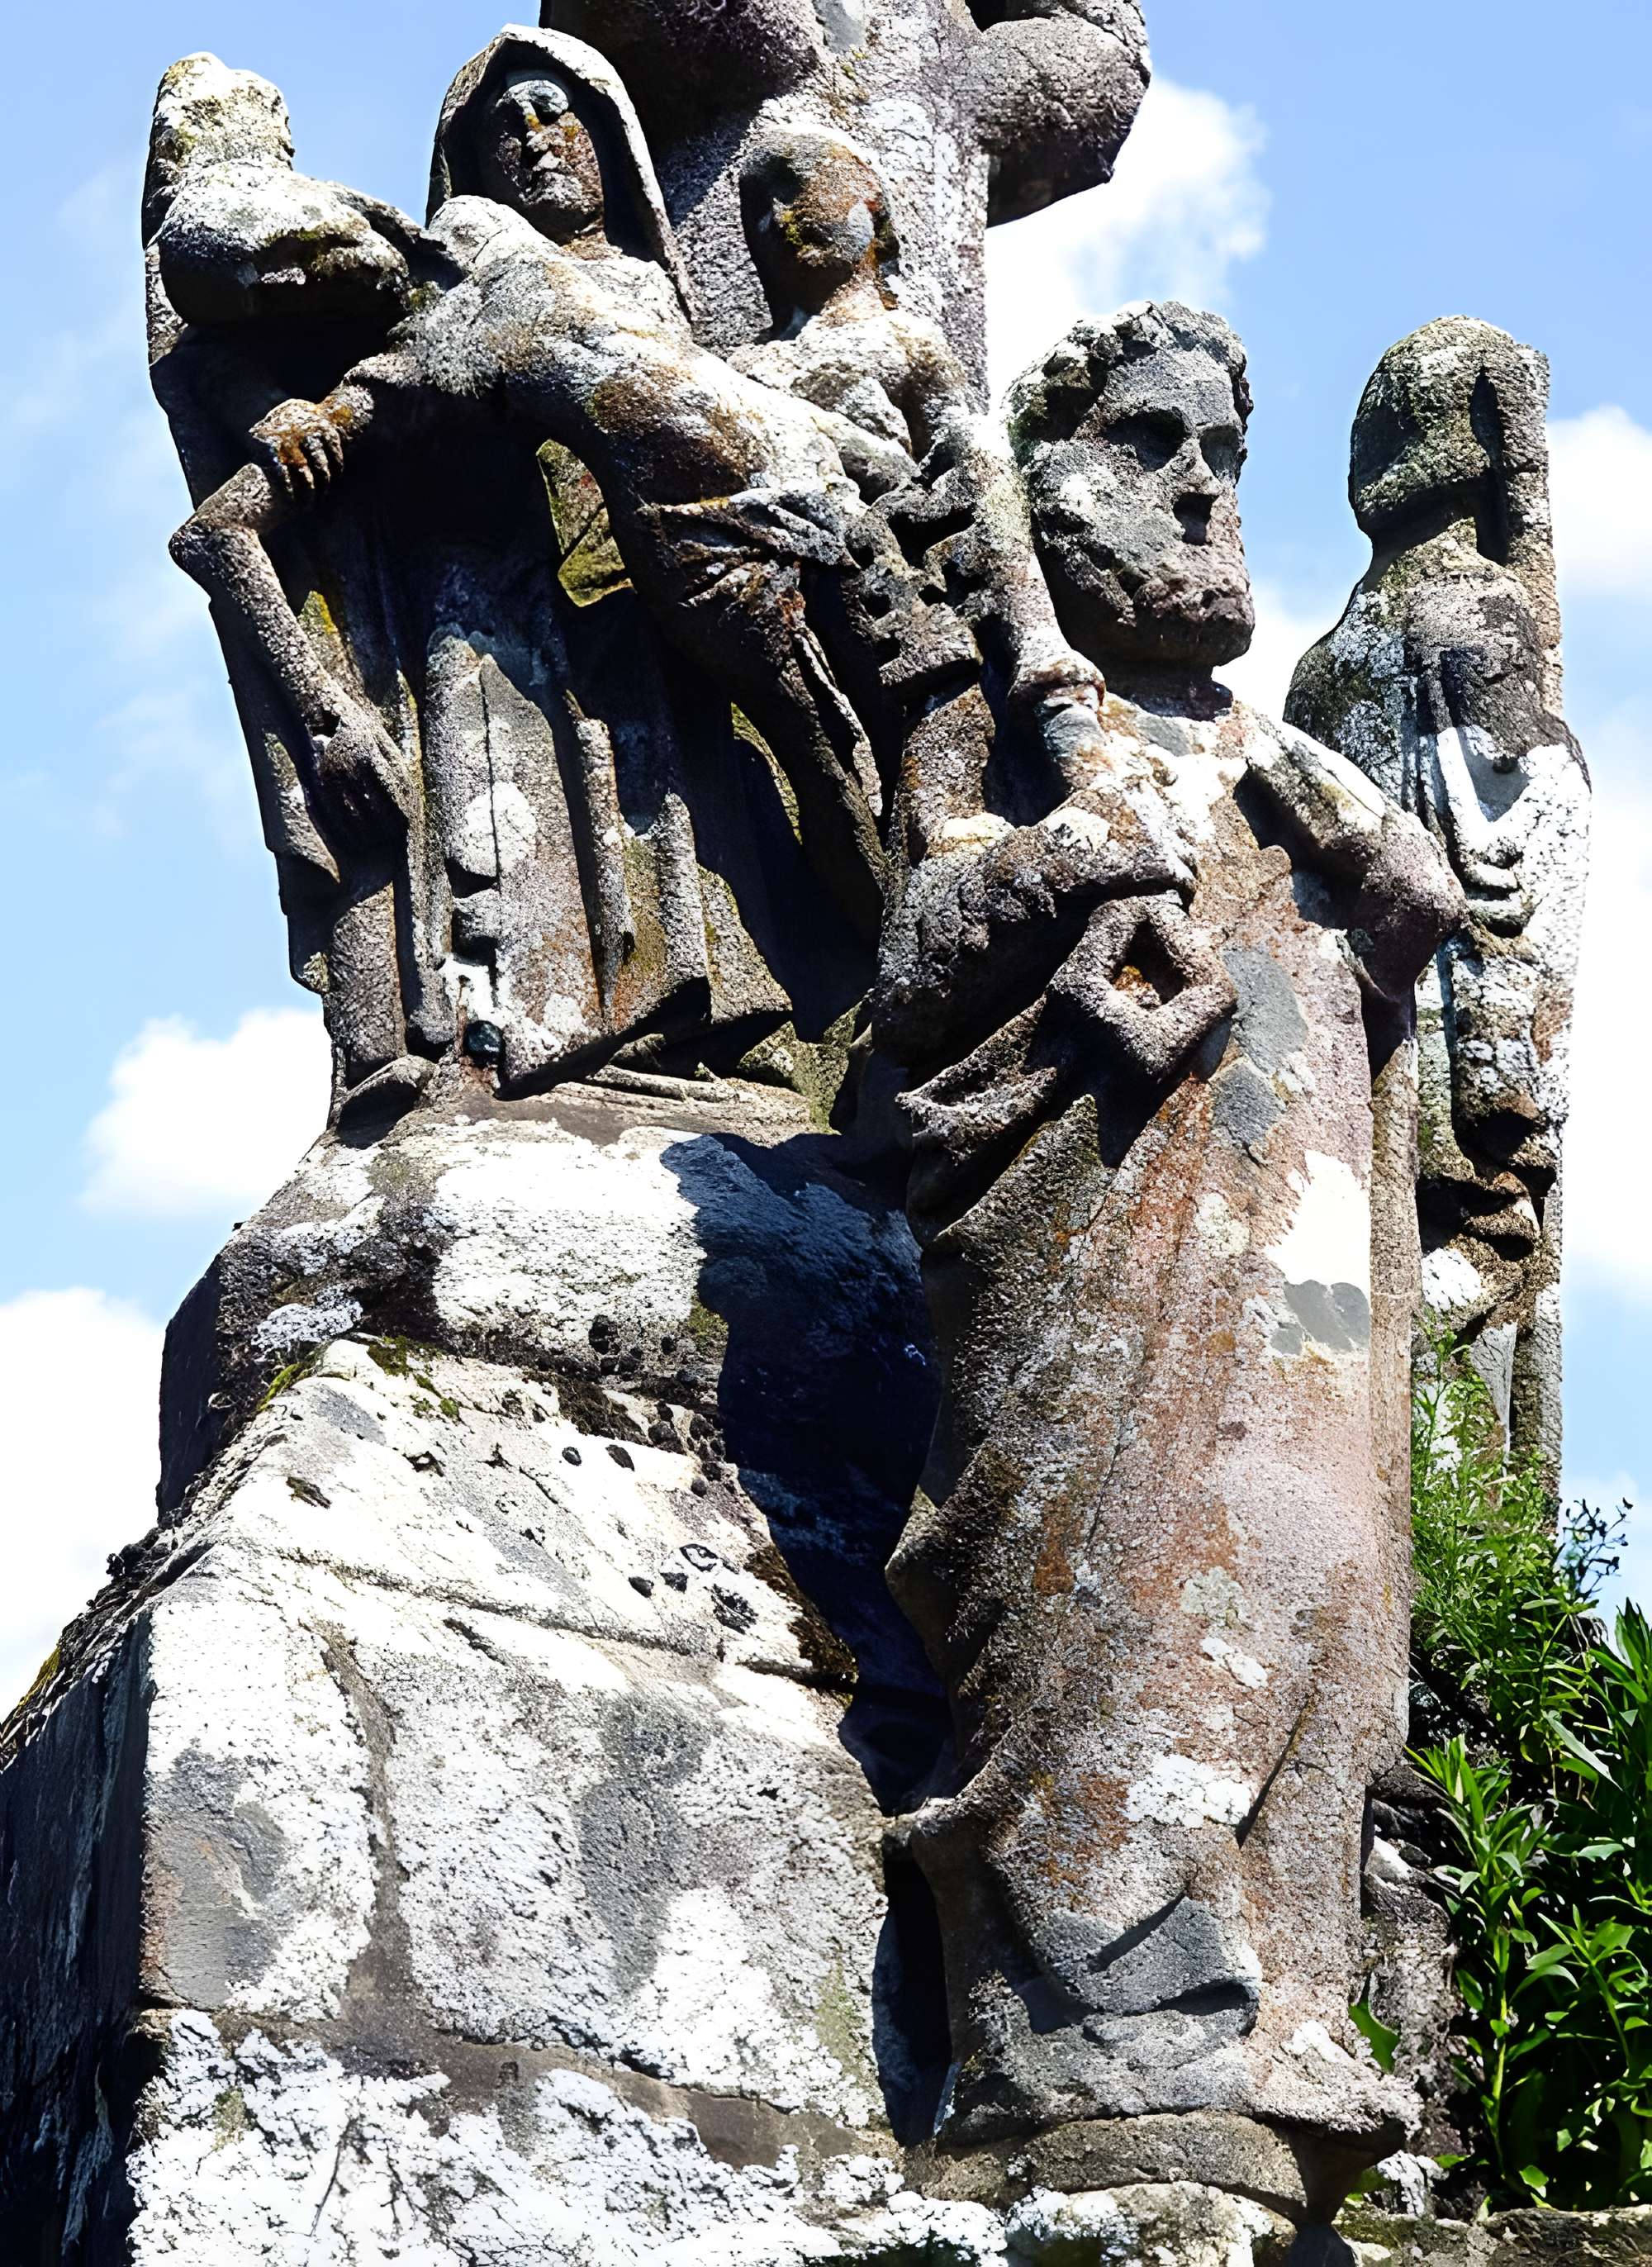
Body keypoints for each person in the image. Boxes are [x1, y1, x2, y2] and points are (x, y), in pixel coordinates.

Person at [863, 302, 1464, 2184]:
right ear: (1044, 492)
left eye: (1221, 453)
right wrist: (1069, 850)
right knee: (1133, 1581)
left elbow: (1413, 916)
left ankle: (1284, 1988)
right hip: (1100, 1285)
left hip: (1299, 1283)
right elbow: (909, 971)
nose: (1202, 484)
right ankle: (1094, 2013)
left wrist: (1378, 878)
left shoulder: (1278, 762)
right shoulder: (1011, 716)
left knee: (1322, 1581)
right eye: (1149, 444)